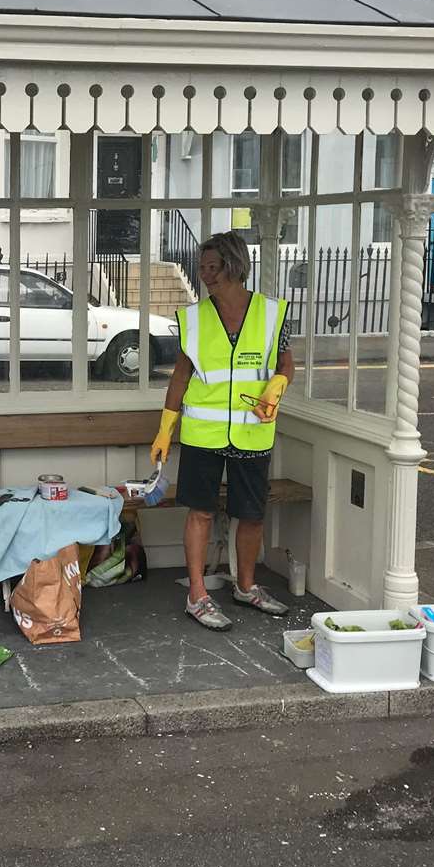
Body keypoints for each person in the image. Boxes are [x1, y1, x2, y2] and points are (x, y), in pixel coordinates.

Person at [151, 230, 294, 631]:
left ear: (234, 265)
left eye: (212, 267)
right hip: (203, 435)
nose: (205, 276)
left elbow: (286, 365)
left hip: (253, 431)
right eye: (202, 268)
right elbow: (181, 376)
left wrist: (277, 387)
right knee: (200, 512)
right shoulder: (193, 319)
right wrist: (166, 428)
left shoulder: (273, 313)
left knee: (251, 514)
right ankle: (197, 594)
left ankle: (246, 587)